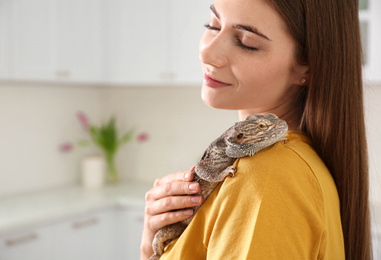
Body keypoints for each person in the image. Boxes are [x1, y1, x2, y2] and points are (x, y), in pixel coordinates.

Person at [140, 0, 372, 259]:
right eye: (213, 26)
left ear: (306, 64)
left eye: (246, 42)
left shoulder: (266, 175)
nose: (207, 52)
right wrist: (153, 247)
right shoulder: (283, 165)